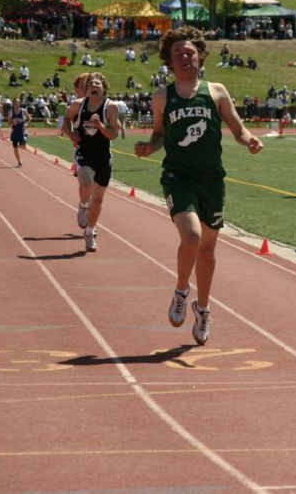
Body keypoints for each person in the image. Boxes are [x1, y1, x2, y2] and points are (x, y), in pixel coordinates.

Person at [133, 26, 263, 346]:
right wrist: (150, 147)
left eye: (189, 52)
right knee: (191, 236)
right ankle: (181, 290)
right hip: (178, 176)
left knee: (207, 248)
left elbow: (238, 128)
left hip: (212, 180)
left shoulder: (216, 91)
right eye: (178, 54)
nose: (184, 57)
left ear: (201, 56)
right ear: (169, 62)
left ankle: (202, 309)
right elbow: (160, 133)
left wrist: (249, 141)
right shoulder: (163, 96)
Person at [63, 72, 120, 252]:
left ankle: (89, 231)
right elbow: (65, 120)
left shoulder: (110, 108)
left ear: (103, 88)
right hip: (84, 152)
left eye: (97, 83)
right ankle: (82, 205)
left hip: (103, 156)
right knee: (86, 182)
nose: (94, 85)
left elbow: (114, 135)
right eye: (91, 84)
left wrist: (100, 126)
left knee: (98, 200)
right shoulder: (78, 106)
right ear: (87, 90)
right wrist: (71, 134)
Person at [7, 98, 30, 168]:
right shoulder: (10, 112)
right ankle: (19, 162)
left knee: (23, 146)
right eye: (15, 102)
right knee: (15, 149)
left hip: (22, 131)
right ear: (13, 103)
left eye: (18, 102)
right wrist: (12, 124)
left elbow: (29, 118)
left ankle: (23, 142)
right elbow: (9, 123)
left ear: (20, 103)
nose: (17, 103)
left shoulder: (23, 111)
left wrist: (26, 124)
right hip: (15, 132)